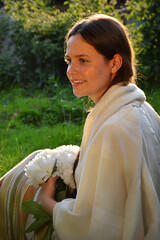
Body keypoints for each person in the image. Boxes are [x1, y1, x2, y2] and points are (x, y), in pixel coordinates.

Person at [38, 14, 160, 240]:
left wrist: (49, 205)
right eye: (69, 60)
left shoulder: (114, 127)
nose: (71, 71)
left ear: (114, 63)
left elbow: (99, 227)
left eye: (83, 60)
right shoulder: (144, 109)